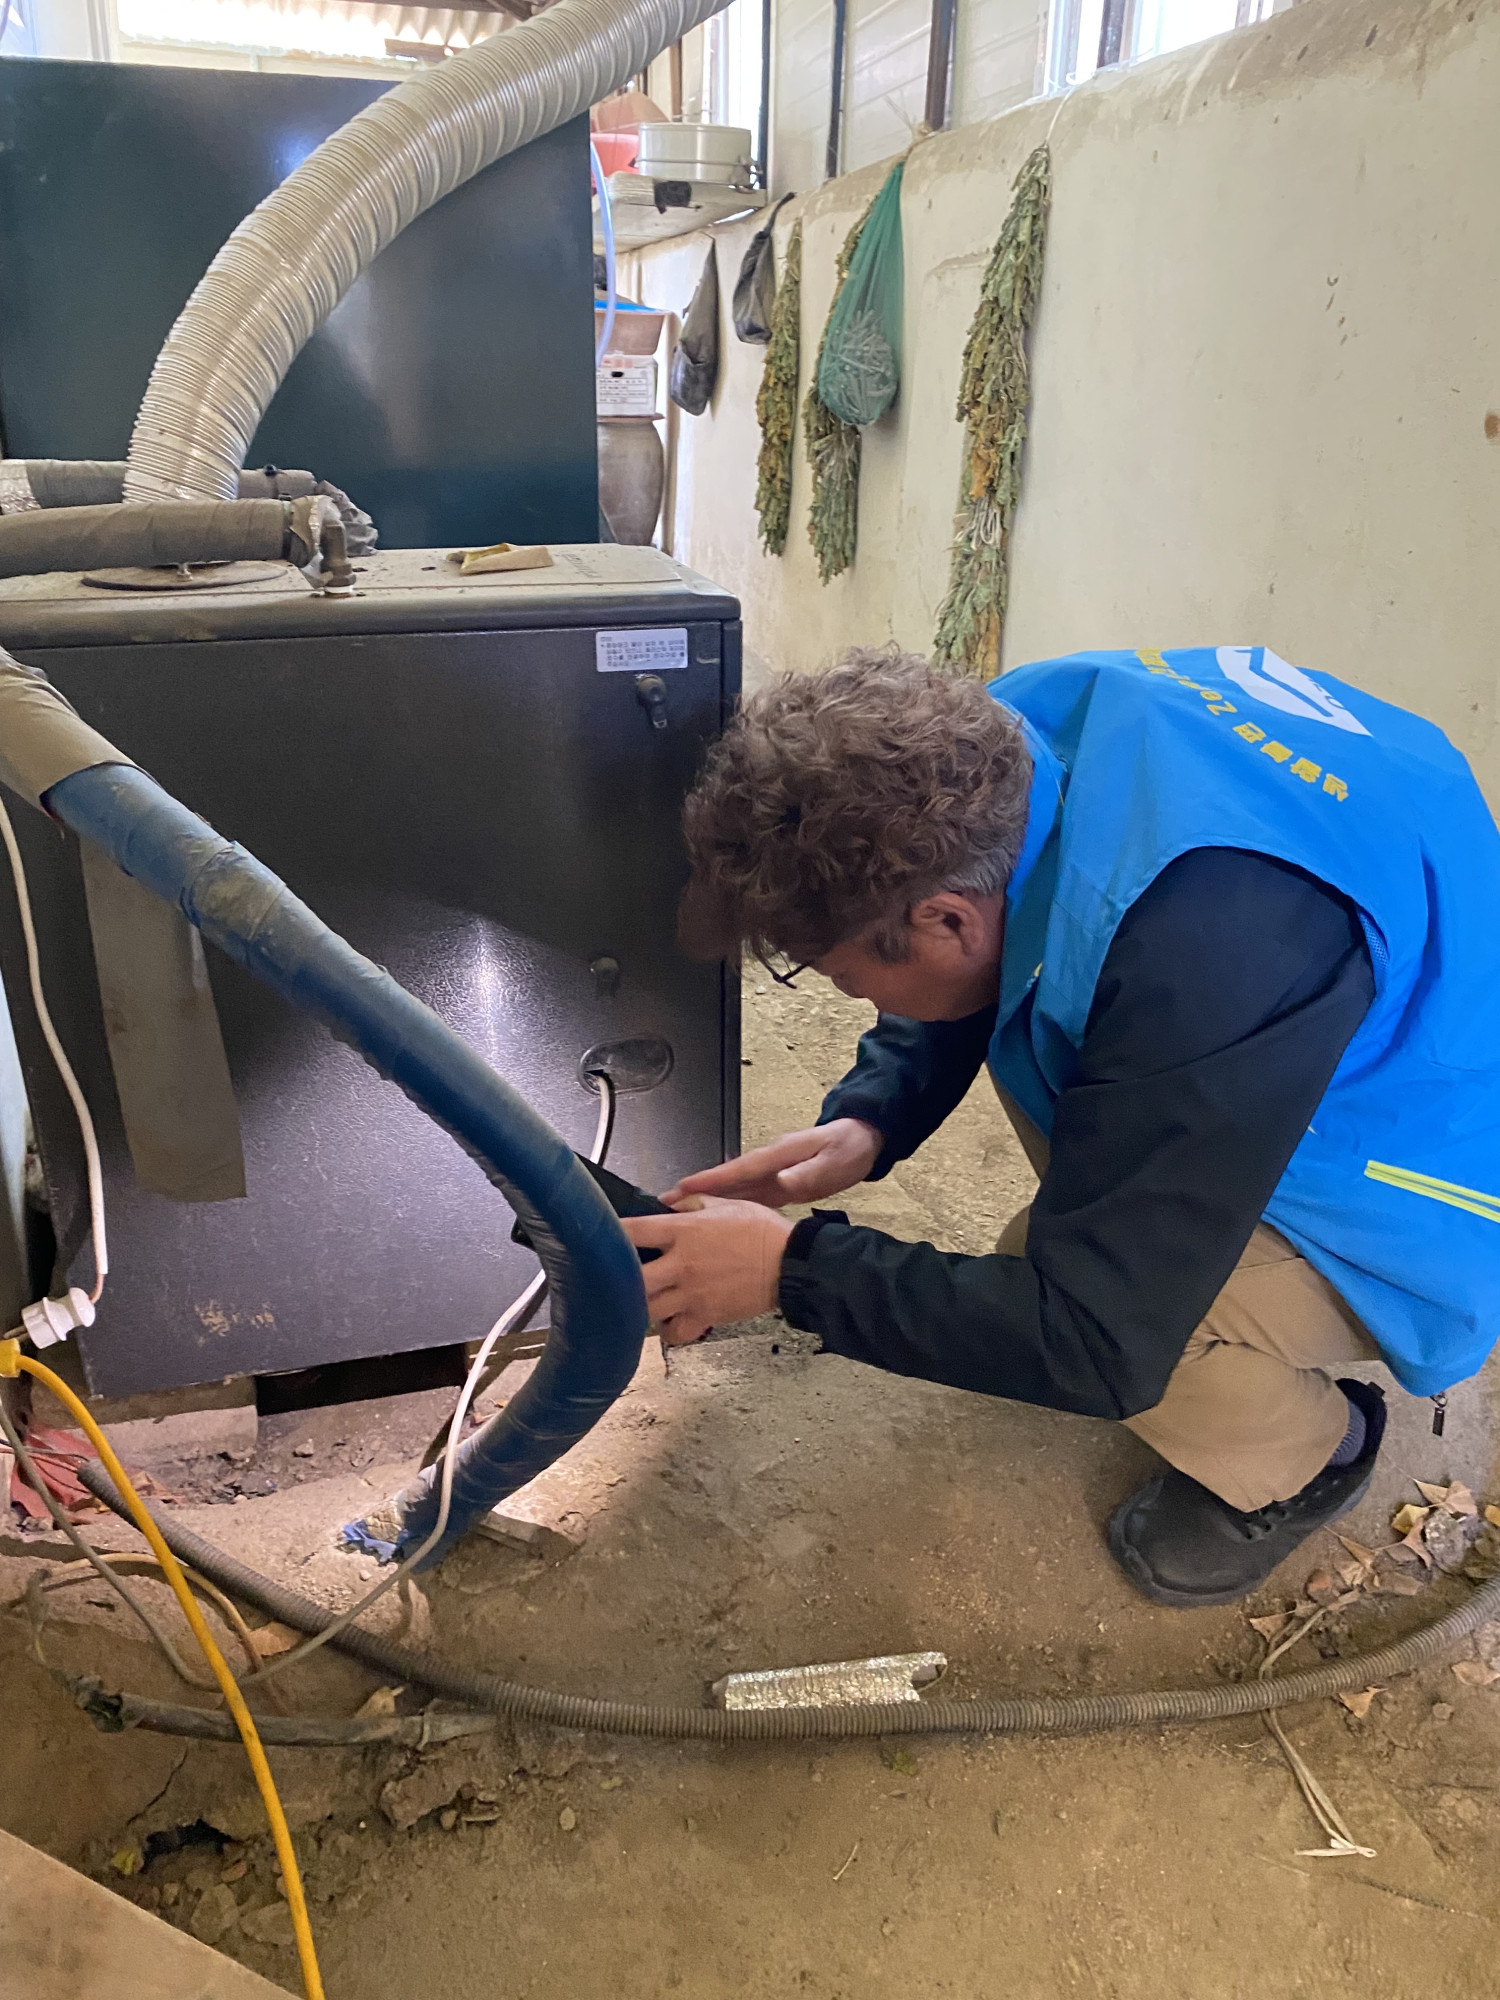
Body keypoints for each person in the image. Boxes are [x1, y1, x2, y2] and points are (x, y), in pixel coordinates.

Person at [619, 647, 1500, 1608]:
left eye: (839, 976)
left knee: (1097, 1312)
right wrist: (874, 1114)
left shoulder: (1206, 949)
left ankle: (1315, 1455)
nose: (851, 995)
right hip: (1319, 1020)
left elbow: (1098, 1338)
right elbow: (983, 956)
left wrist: (788, 1272)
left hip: (1430, 1168)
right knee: (1052, 1237)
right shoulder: (1004, 741)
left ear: (946, 920)